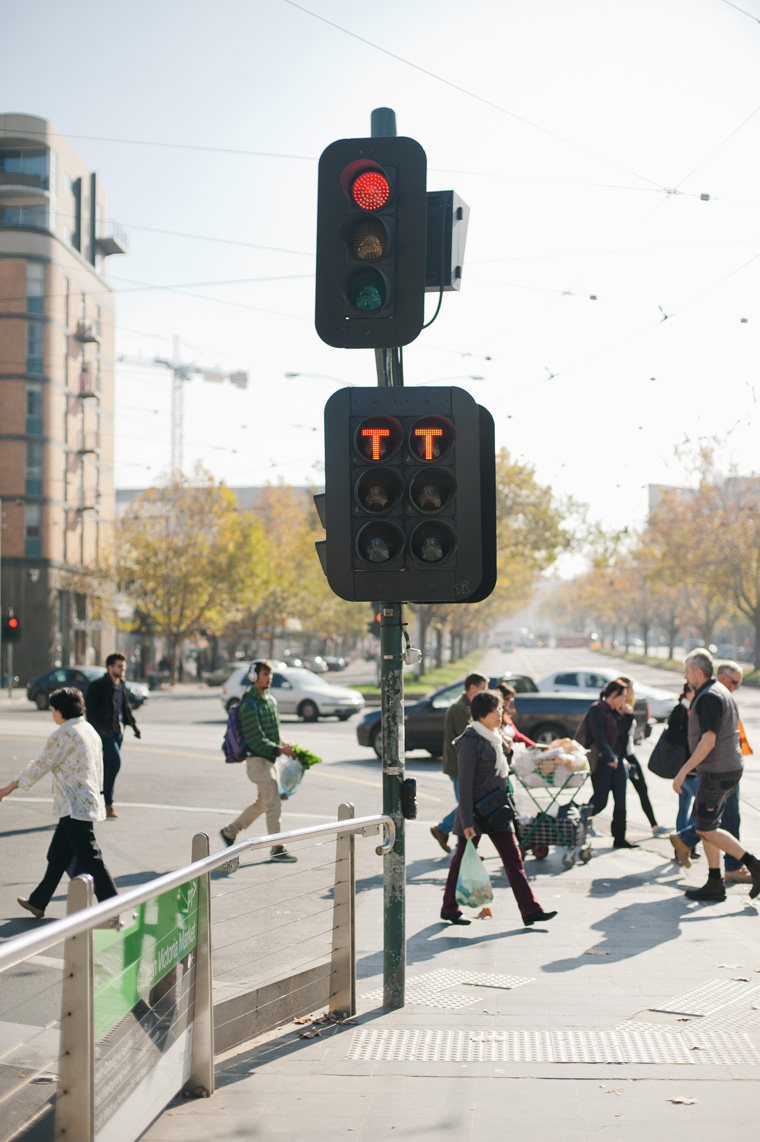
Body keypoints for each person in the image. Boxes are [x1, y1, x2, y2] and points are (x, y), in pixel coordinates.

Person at [441, 689, 557, 928]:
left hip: (497, 810)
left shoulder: (494, 737)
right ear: (483, 713)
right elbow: (464, 784)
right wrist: (467, 822)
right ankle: (449, 907)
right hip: (476, 813)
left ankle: (530, 910)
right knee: (461, 859)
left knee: (513, 859)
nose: (501, 714)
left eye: (501, 710)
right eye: (497, 710)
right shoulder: (470, 740)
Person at [0, 687, 118, 918]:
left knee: (91, 858)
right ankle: (38, 902)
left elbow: (39, 766)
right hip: (84, 801)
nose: (52, 714)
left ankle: (113, 905)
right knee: (57, 855)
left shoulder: (63, 735)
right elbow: (99, 767)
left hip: (74, 806)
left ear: (61, 711)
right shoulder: (88, 729)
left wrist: (7, 789)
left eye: (53, 710)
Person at [672, 648, 760, 902]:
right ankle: (713, 882)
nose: (686, 676)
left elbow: (708, 740)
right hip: (725, 768)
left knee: (706, 829)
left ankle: (754, 865)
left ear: (698, 672)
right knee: (707, 826)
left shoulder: (709, 696)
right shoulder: (717, 691)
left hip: (716, 772)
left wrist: (684, 771)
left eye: (688, 671)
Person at [220, 660, 298, 861]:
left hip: (270, 761)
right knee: (273, 803)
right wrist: (281, 749)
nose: (268, 678)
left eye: (270, 675)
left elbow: (273, 733)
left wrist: (285, 745)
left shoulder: (270, 700)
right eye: (264, 674)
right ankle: (276, 847)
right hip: (256, 762)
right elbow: (256, 740)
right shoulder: (249, 704)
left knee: (263, 803)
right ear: (253, 677)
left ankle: (230, 831)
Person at [430, 672, 488, 854]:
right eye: (483, 688)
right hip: (459, 766)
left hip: (464, 766)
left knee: (468, 807)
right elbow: (472, 735)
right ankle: (446, 832)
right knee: (467, 808)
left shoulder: (469, 706)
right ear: (472, 688)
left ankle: (452, 838)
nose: (486, 692)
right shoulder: (459, 709)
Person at [85, 652, 141, 818]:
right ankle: (107, 802)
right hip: (104, 733)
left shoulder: (121, 684)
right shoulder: (98, 685)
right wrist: (97, 730)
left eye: (123, 666)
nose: (122, 669)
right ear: (110, 667)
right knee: (115, 763)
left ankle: (99, 800)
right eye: (119, 666)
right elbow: (91, 710)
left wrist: (134, 726)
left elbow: (125, 708)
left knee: (106, 767)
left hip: (117, 732)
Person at [586, 679, 638, 849]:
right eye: (622, 696)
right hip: (602, 761)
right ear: (613, 695)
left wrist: (628, 716)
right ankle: (575, 818)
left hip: (618, 761)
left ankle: (619, 837)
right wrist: (610, 758)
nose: (625, 699)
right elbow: (599, 736)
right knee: (600, 801)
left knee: (620, 800)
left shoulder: (616, 712)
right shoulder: (597, 709)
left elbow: (622, 738)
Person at [617, 675, 669, 837]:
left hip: (629, 753)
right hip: (622, 756)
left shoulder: (627, 707)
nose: (633, 692)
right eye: (630, 688)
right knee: (605, 794)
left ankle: (654, 826)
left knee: (642, 789)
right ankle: (585, 819)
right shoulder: (619, 709)